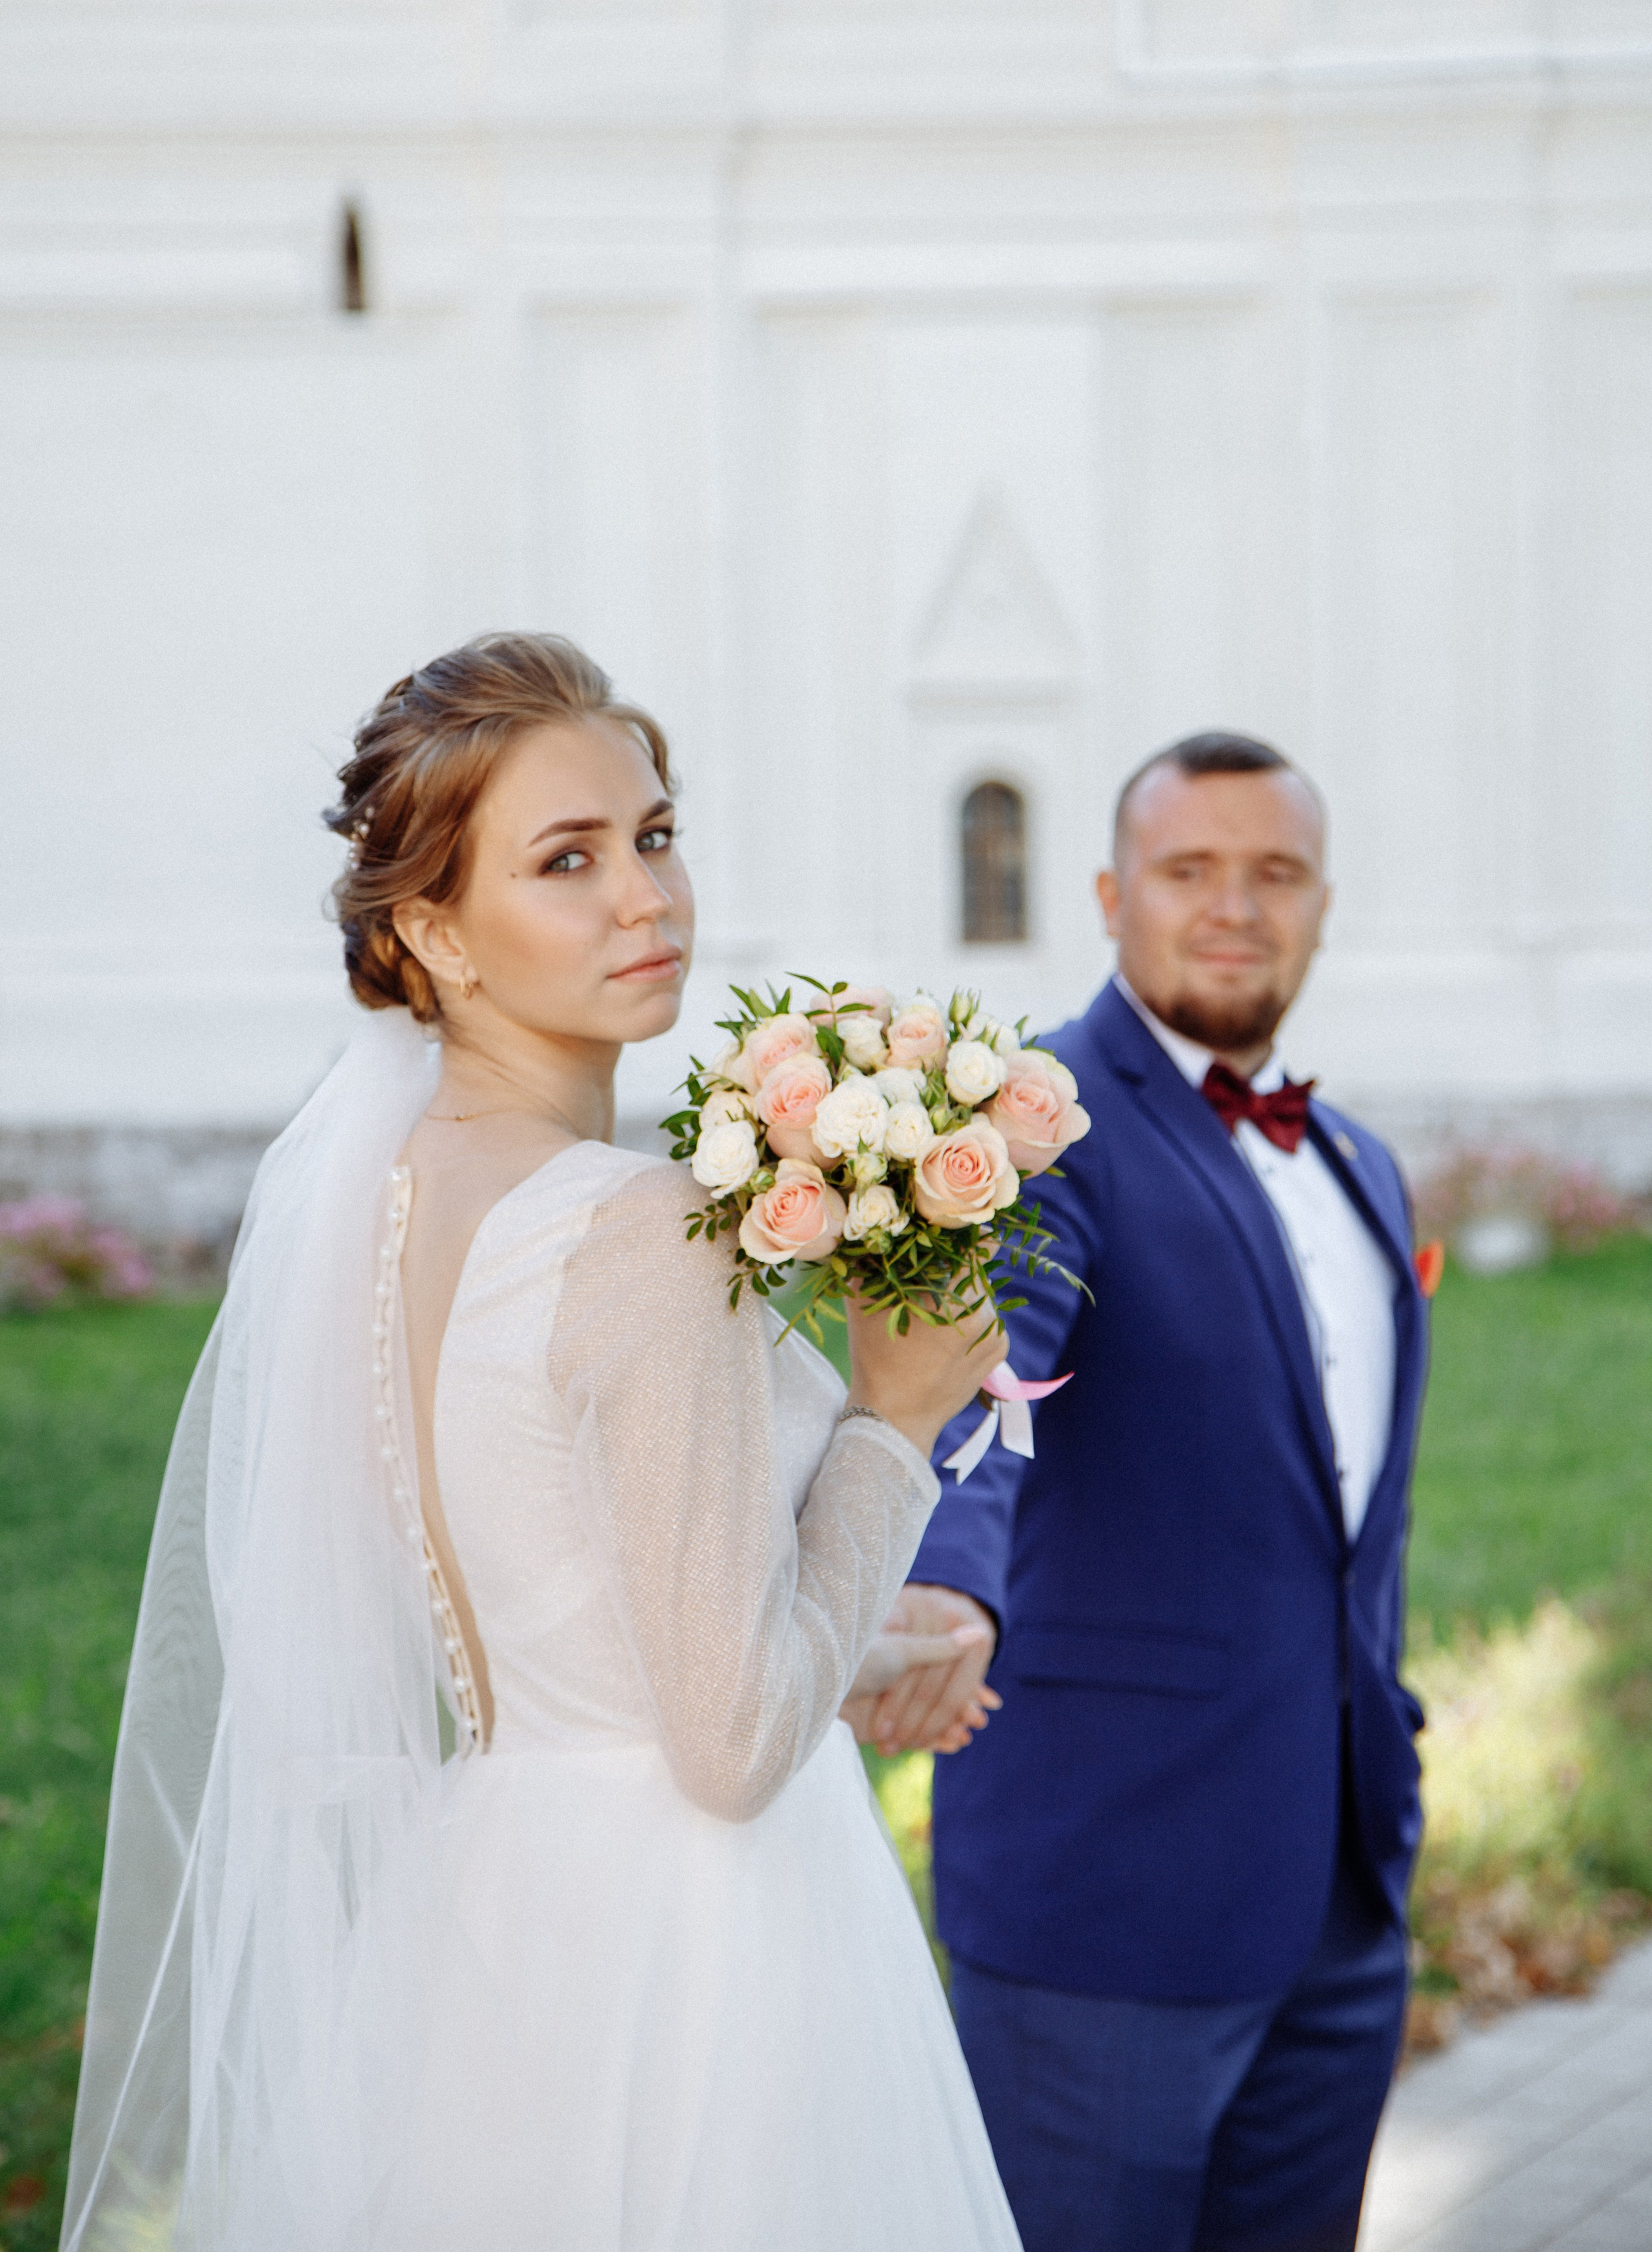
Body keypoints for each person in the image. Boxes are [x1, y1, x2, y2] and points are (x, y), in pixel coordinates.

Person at [62, 633, 1023, 2252]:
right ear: (433, 927)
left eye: (652, 834)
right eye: (565, 859)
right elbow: (723, 1746)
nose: (644, 897)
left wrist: (881, 1635)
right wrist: (897, 1420)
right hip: (703, 1961)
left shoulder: (389, 1203)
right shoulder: (637, 1229)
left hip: (502, 1927)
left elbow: (577, 1600)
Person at [863, 733, 1429, 2252]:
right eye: (1189, 870)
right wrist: (945, 1573)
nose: (1232, 905)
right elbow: (989, 1352)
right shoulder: (1042, 1128)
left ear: (1319, 902)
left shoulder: (1359, 1164)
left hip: (1335, 1887)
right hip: (1102, 1892)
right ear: (1112, 896)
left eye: (1273, 873)